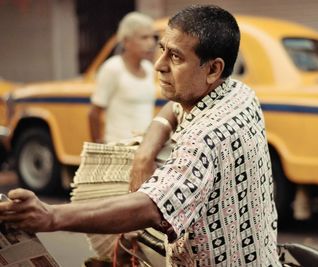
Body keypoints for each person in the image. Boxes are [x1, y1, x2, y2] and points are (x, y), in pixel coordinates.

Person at [0, 5, 280, 266]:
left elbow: (151, 207)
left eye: (176, 57)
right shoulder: (239, 94)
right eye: (161, 49)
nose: (159, 65)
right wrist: (145, 152)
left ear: (213, 69)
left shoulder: (206, 136)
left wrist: (50, 217)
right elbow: (173, 108)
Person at [89, 12, 157, 144]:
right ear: (126, 41)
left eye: (152, 37)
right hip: (119, 148)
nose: (151, 43)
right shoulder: (113, 68)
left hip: (145, 147)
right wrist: (99, 146)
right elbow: (94, 114)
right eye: (144, 38)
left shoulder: (149, 69)